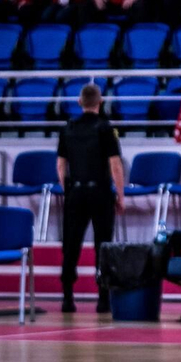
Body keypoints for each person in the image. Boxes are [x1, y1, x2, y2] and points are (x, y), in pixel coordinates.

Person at [56, 84, 126, 314]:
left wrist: (66, 188)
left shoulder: (69, 127)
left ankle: (67, 298)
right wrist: (120, 194)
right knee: (103, 244)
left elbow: (61, 164)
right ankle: (103, 299)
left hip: (75, 191)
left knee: (71, 244)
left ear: (79, 102)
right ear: (100, 102)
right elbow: (115, 164)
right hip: (100, 192)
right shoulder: (105, 128)